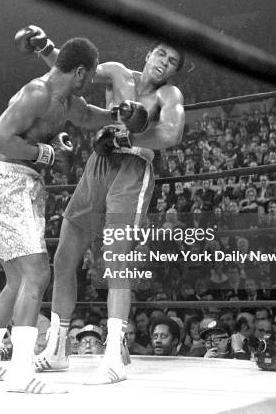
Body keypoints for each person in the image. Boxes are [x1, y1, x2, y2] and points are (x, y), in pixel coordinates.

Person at [31, 25, 185, 383]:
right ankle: (57, 349)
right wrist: (45, 47)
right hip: (99, 164)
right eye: (161, 54)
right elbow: (74, 71)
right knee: (64, 258)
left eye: (172, 61)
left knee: (117, 263)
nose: (164, 62)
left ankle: (114, 357)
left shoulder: (169, 95)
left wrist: (129, 132)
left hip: (134, 168)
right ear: (148, 55)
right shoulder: (116, 73)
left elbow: (172, 134)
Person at [0, 36, 123, 394]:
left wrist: (119, 115)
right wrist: (48, 154)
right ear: (81, 72)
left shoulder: (67, 99)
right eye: (91, 76)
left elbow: (87, 116)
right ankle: (21, 373)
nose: (92, 83)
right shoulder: (36, 94)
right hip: (9, 185)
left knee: (17, 281)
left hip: (23, 187)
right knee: (37, 275)